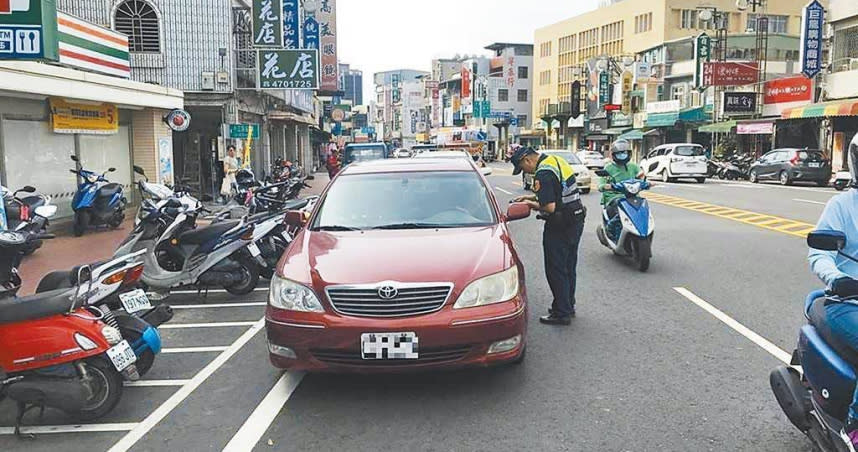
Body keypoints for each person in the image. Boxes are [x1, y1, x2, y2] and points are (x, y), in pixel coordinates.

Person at [809, 134, 858, 448]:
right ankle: (854, 425)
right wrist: (836, 277)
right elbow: (819, 252)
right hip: (849, 301)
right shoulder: (841, 205)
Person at [511, 147, 586, 325]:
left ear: (527, 160)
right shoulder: (555, 160)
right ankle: (568, 304)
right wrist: (532, 196)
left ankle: (561, 313)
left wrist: (531, 203)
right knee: (569, 266)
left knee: (556, 269)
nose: (526, 172)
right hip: (575, 220)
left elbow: (549, 207)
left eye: (522, 168)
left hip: (560, 225)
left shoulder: (543, 172)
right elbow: (557, 190)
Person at [598, 140, 645, 228]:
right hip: (614, 197)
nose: (622, 155)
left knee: (642, 206)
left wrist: (643, 179)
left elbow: (641, 175)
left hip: (632, 195)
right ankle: (610, 227)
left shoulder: (633, 166)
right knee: (620, 210)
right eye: (619, 153)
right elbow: (601, 183)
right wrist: (604, 186)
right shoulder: (608, 168)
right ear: (613, 155)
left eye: (624, 153)